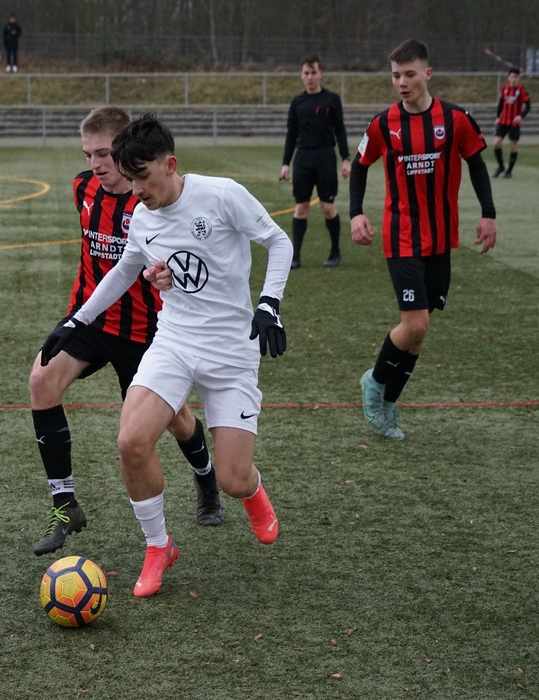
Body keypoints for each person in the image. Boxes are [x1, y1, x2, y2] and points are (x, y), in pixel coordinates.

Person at [40, 113, 292, 597]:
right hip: (174, 341)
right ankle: (159, 546)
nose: (135, 191)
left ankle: (252, 490)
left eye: (141, 177)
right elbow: (122, 272)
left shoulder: (221, 195)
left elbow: (277, 241)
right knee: (131, 441)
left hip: (231, 351)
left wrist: (269, 305)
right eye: (129, 180)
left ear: (170, 164)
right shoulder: (141, 216)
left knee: (233, 479)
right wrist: (76, 321)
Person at [30, 107, 222, 557]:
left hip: (146, 332)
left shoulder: (152, 202)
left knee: (176, 420)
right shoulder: (82, 188)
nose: (95, 164)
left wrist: (169, 277)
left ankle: (207, 479)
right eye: (88, 154)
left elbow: (191, 260)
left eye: (103, 153)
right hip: (91, 320)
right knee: (41, 380)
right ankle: (65, 505)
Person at [349, 39, 497, 441]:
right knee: (415, 323)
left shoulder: (456, 119)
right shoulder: (383, 124)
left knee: (418, 331)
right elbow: (360, 166)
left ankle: (389, 406)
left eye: (409, 74)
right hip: (402, 237)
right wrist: (356, 212)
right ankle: (374, 381)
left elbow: (477, 164)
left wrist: (488, 213)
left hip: (441, 239)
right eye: (396, 75)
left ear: (427, 74)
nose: (402, 82)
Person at [279, 54, 352, 268]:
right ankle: (295, 256)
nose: (309, 77)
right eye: (306, 73)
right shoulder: (297, 103)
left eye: (313, 73)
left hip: (325, 157)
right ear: (301, 75)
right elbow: (291, 134)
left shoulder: (331, 100)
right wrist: (285, 163)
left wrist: (346, 158)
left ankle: (335, 251)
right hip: (303, 158)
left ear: (321, 74)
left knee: (327, 207)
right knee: (301, 207)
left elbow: (340, 130)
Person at [492, 68, 531, 178]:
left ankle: (509, 171)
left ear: (519, 79)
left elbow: (528, 106)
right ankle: (501, 166)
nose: (514, 79)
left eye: (516, 77)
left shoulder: (522, 90)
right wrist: (497, 117)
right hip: (503, 121)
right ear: (508, 78)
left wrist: (521, 116)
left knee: (513, 146)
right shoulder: (504, 88)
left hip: (514, 123)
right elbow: (500, 104)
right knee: (496, 144)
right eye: (512, 77)